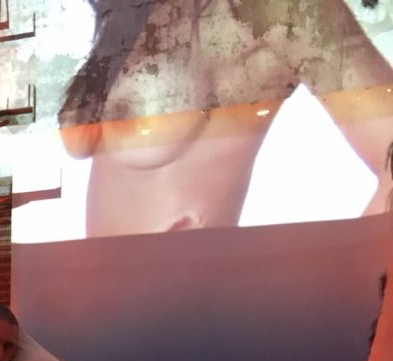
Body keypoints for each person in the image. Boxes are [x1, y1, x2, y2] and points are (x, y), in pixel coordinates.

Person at [58, 0, 393, 236]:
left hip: (185, 299)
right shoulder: (132, 11)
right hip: (96, 301)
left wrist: (347, 288)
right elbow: (81, 141)